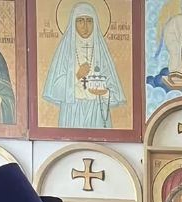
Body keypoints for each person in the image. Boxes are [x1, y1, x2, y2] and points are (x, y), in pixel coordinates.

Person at [42, 2, 126, 130]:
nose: (85, 26)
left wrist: (104, 92)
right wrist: (77, 76)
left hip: (97, 110)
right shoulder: (65, 51)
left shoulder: (101, 52)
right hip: (72, 110)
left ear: (95, 23)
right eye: (80, 21)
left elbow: (114, 92)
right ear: (73, 23)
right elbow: (55, 88)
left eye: (89, 21)